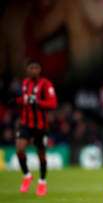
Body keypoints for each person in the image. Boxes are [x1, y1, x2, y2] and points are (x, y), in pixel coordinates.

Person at [13, 59, 58, 196]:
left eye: (36, 68)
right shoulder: (25, 83)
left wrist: (38, 101)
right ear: (27, 70)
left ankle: (42, 182)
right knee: (20, 149)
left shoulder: (46, 84)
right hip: (25, 123)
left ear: (40, 70)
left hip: (41, 126)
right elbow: (26, 99)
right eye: (31, 68)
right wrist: (17, 101)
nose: (33, 70)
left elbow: (53, 104)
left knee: (41, 155)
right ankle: (27, 175)